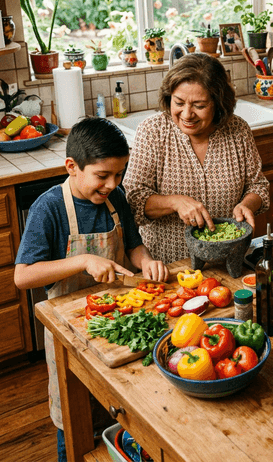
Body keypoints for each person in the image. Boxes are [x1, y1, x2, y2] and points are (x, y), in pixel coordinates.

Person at [13, 117, 169, 462]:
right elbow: (23, 276)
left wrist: (146, 262)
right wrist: (83, 261)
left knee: (122, 410)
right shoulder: (49, 208)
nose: (113, 184)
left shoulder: (118, 198)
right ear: (72, 166)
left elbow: (133, 247)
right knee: (75, 417)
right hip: (71, 332)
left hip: (119, 323)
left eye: (119, 174)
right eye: (103, 176)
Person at [123, 53, 270, 263]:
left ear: (218, 103)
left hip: (230, 259)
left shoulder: (237, 130)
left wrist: (247, 204)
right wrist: (175, 202)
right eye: (179, 102)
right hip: (169, 266)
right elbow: (132, 200)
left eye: (199, 105)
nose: (187, 114)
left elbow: (258, 186)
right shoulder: (153, 131)